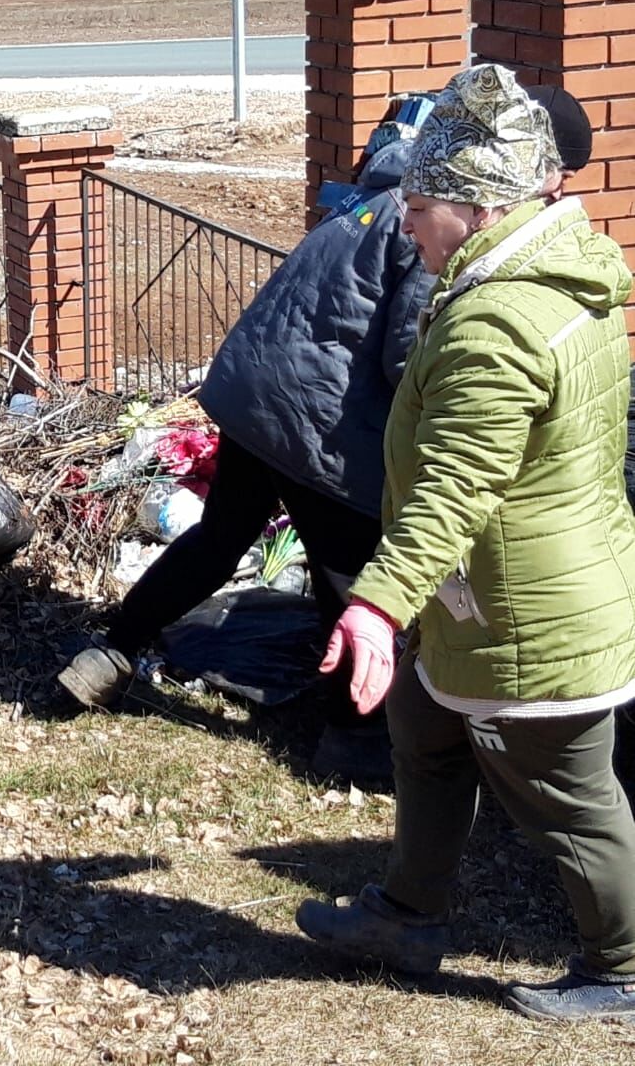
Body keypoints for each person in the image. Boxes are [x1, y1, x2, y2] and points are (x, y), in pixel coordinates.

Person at [295, 63, 635, 1022]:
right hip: (481, 595)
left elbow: (455, 487)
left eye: (420, 203)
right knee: (426, 740)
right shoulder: (550, 265)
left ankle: (624, 968)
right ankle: (405, 917)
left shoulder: (498, 319)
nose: (401, 220)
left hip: (525, 609)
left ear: (479, 207)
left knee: (569, 798)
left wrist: (371, 602)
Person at [58, 105, 435, 781]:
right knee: (350, 580)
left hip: (253, 400)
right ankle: (351, 743)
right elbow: (406, 354)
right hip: (320, 424)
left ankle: (107, 656)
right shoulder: (421, 222)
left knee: (219, 537)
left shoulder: (361, 207)